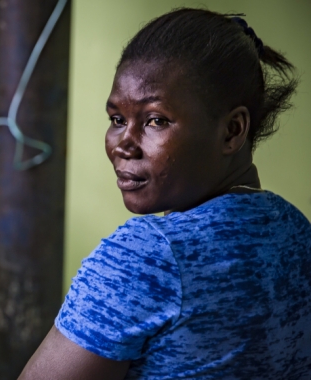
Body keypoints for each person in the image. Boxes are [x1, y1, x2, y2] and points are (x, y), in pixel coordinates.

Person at [20, 8, 309, 380]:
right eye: (117, 120)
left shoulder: (147, 255)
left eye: (156, 120)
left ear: (232, 131)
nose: (123, 144)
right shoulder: (296, 230)